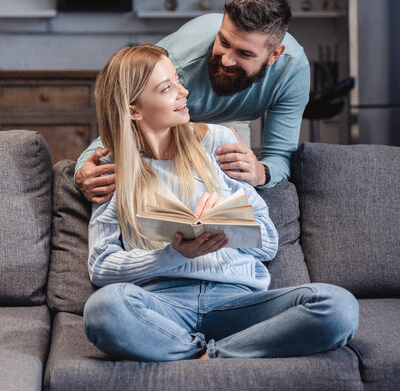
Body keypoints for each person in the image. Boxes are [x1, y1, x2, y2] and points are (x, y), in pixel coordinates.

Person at [83, 43, 358, 361]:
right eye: (167, 88)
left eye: (177, 80)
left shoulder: (218, 142)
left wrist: (230, 220)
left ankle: (208, 356)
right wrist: (171, 255)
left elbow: (268, 242)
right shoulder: (114, 171)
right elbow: (101, 265)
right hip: (163, 306)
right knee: (104, 310)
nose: (183, 92)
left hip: (238, 303)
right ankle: (198, 350)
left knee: (337, 307)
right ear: (133, 109)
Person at [75, 0, 310, 205]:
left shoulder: (293, 71)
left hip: (234, 123)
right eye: (224, 41)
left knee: (239, 190)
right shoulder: (178, 65)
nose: (227, 60)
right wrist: (83, 168)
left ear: (274, 55)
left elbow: (280, 155)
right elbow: (124, 114)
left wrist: (261, 172)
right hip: (175, 120)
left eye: (245, 53)